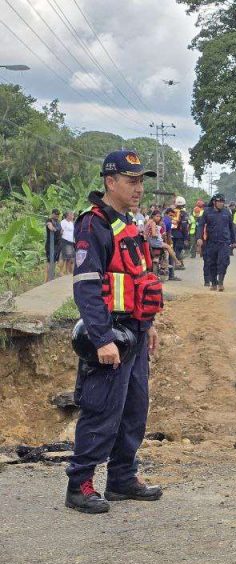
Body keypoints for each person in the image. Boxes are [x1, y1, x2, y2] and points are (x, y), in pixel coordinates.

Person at [65, 149, 164, 514]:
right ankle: (80, 485)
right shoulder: (94, 225)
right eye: (131, 181)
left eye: (141, 182)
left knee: (134, 409)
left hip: (134, 332)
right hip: (110, 332)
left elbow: (139, 280)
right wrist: (102, 338)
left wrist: (148, 324)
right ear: (111, 182)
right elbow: (86, 287)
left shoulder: (130, 224)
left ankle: (122, 478)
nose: (138, 188)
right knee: (102, 409)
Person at [196, 192, 235, 291]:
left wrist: (234, 241)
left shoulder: (227, 212)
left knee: (223, 262)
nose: (221, 203)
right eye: (219, 201)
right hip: (211, 242)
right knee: (211, 263)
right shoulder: (207, 212)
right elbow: (201, 225)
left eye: (223, 202)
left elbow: (231, 227)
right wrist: (199, 238)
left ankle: (221, 283)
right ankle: (213, 283)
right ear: (214, 202)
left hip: (224, 242)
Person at [170, 196, 190, 266]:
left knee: (173, 250)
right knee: (178, 249)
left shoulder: (171, 212)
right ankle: (178, 264)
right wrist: (186, 238)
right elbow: (184, 226)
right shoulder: (183, 213)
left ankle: (175, 264)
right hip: (180, 235)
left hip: (171, 234)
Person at [44, 209, 61, 281]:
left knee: (53, 262)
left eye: (58, 215)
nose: (57, 216)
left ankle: (51, 278)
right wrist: (54, 229)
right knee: (49, 262)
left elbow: (61, 231)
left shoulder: (58, 222)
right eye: (56, 214)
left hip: (57, 245)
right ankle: (46, 280)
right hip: (50, 245)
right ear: (53, 214)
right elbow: (50, 227)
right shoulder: (49, 220)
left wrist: (57, 229)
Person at [60, 211, 76, 276]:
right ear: (67, 216)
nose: (73, 216)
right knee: (64, 256)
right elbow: (61, 231)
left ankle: (67, 271)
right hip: (65, 240)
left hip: (71, 241)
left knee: (70, 257)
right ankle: (61, 271)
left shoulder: (71, 223)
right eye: (71, 215)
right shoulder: (63, 222)